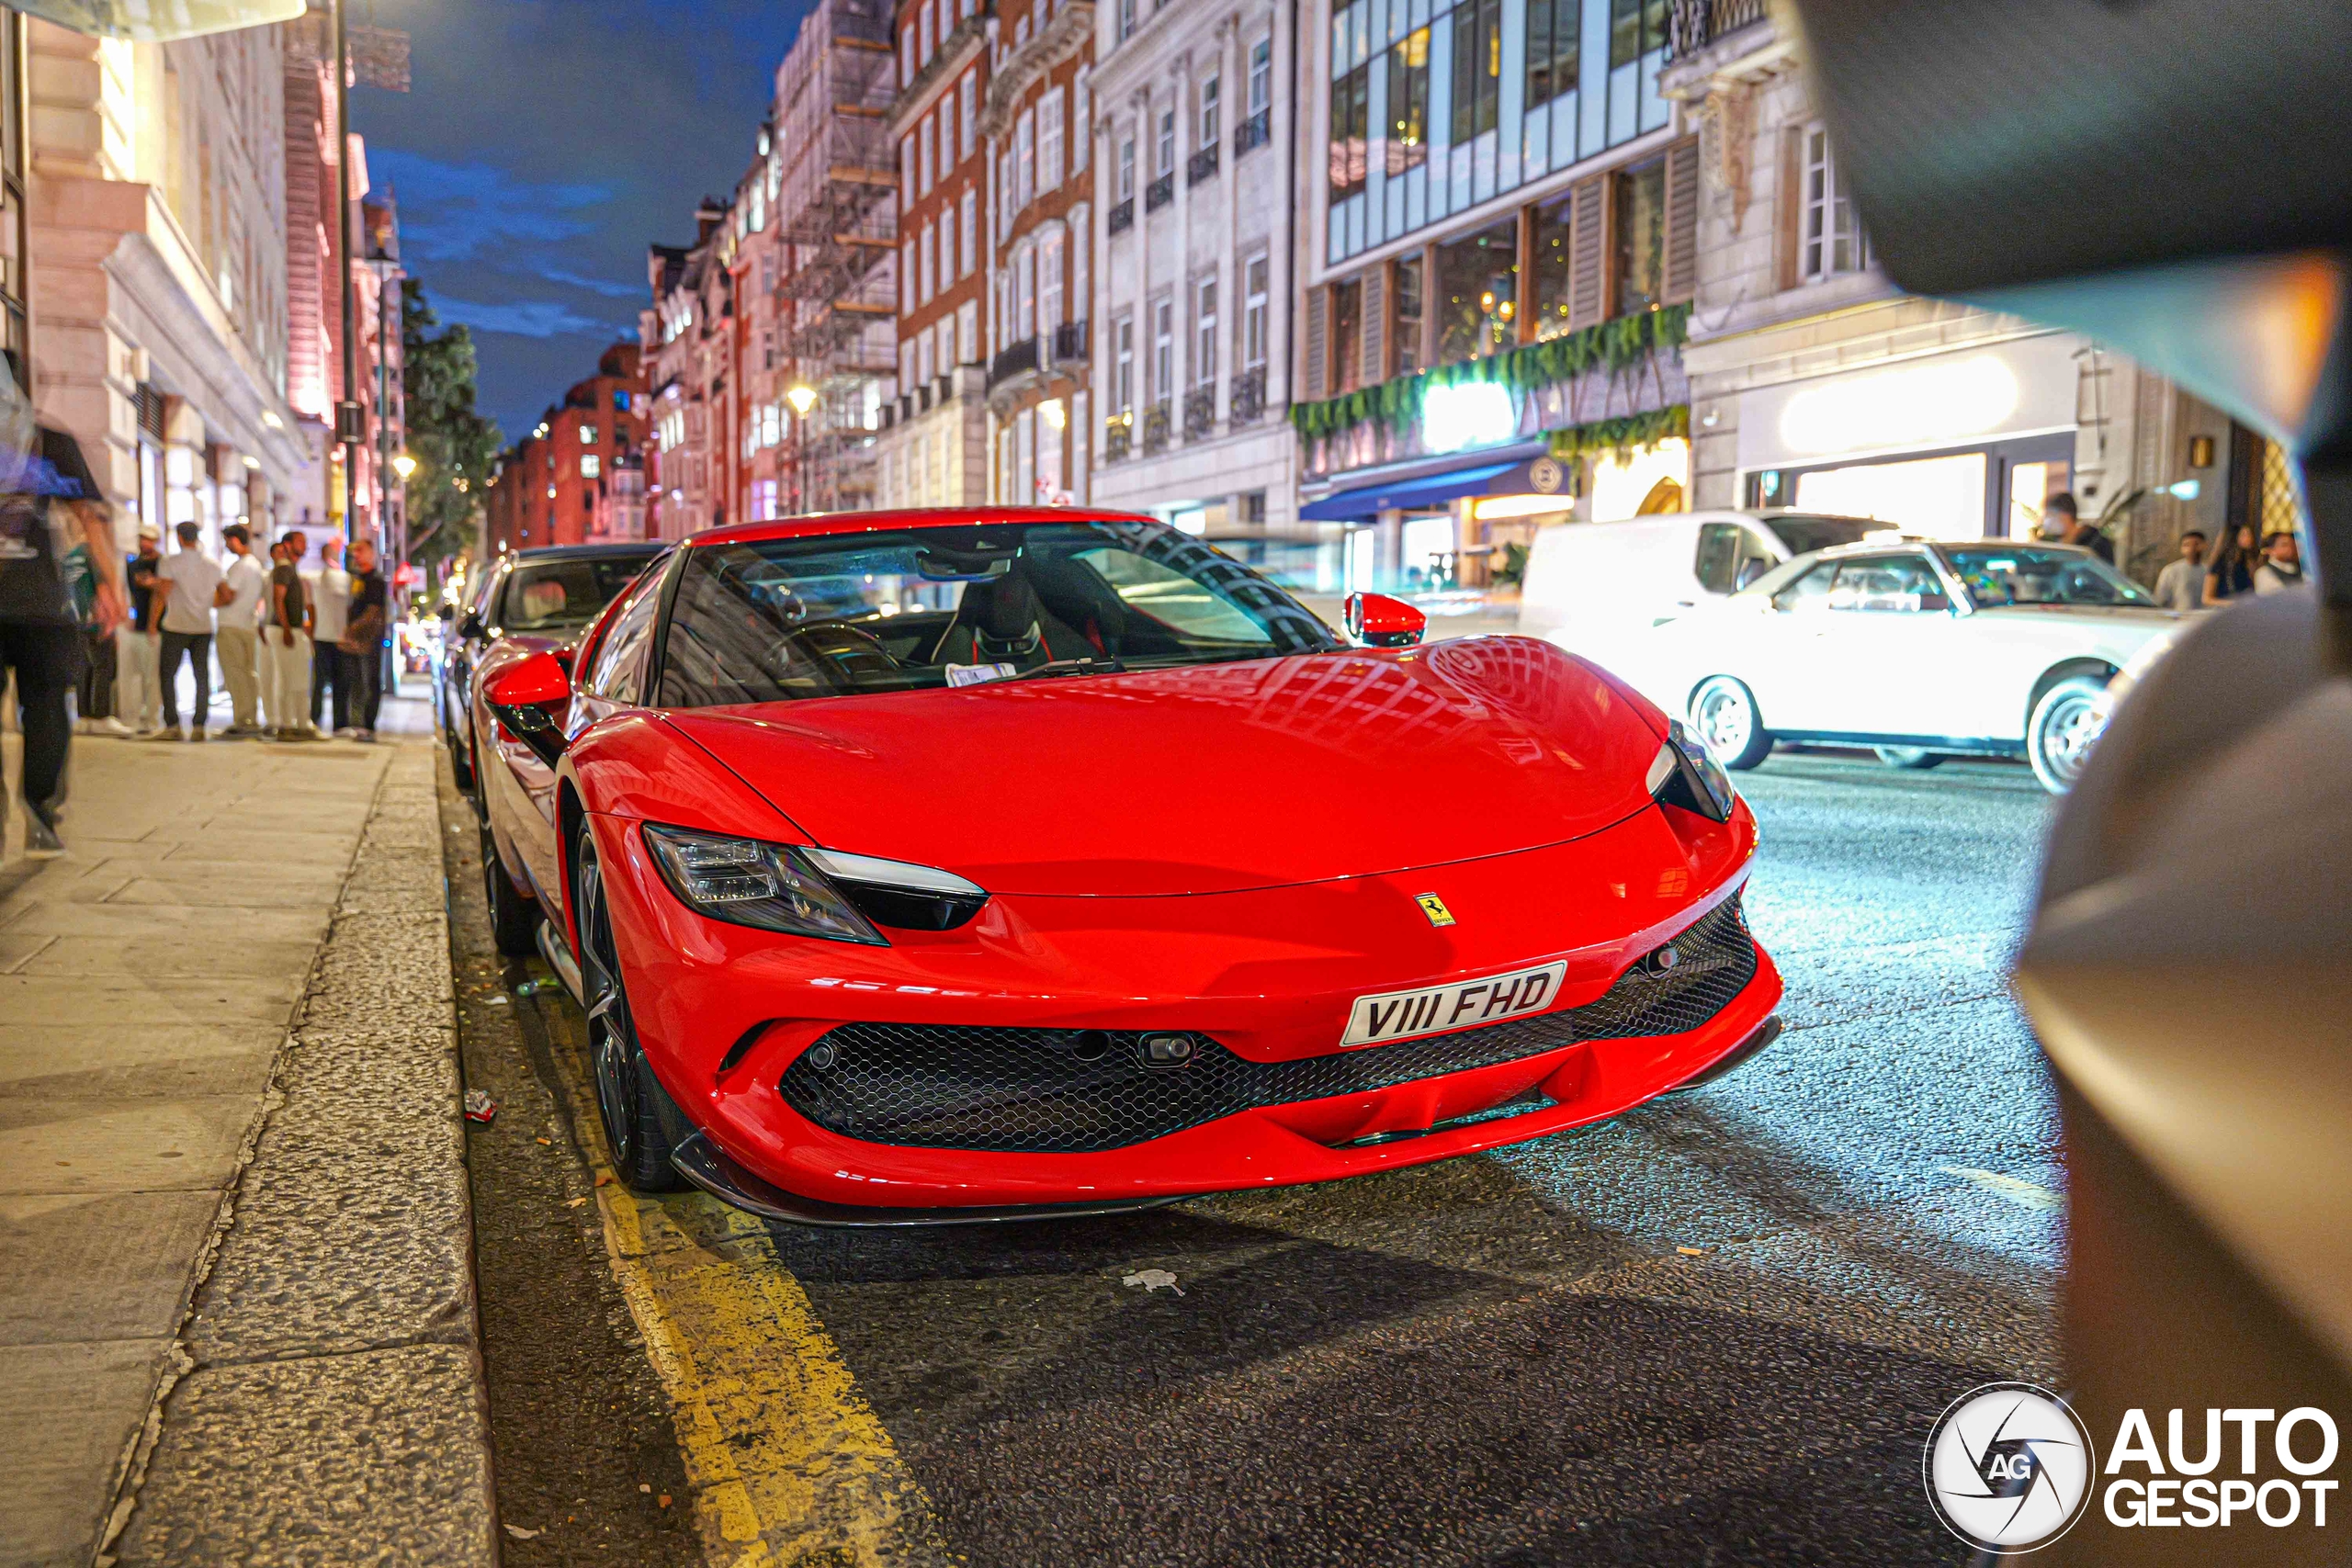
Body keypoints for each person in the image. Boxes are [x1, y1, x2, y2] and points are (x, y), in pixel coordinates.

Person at [0, 355, 121, 857]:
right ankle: (41, 810)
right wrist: (110, 587)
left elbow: (89, 519)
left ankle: (35, 811)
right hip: (42, 606)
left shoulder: (52, 443)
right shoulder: (51, 443)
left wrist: (109, 586)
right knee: (47, 709)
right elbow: (90, 520)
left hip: (41, 604)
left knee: (49, 708)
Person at [153, 520, 226, 740]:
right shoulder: (213, 565)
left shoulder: (169, 562)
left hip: (176, 625)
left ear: (180, 537)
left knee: (167, 674)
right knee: (201, 675)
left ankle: (172, 724)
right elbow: (226, 594)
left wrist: (151, 623)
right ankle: (199, 726)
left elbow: (162, 594)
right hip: (203, 626)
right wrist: (207, 604)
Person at [261, 533, 315, 739]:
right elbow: (278, 598)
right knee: (286, 678)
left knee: (297, 678)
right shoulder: (284, 568)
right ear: (288, 545)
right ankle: (285, 724)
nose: (305, 545)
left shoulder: (291, 569)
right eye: (301, 541)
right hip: (286, 629)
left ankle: (299, 723)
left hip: (292, 629)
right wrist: (285, 628)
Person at [214, 522, 265, 737]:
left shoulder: (240, 566)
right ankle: (250, 717)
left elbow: (227, 596)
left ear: (235, 540)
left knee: (235, 674)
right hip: (247, 624)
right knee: (248, 673)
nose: (226, 545)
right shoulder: (255, 565)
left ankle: (242, 719)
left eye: (227, 540)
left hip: (231, 625)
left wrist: (216, 589)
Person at [114, 522, 164, 735]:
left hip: (157, 628)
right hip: (136, 626)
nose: (145, 543)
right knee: (133, 674)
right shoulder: (132, 564)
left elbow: (164, 590)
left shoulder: (164, 563)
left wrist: (153, 584)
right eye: (142, 538)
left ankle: (152, 718)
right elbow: (129, 592)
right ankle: (134, 717)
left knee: (152, 676)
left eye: (149, 539)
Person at [340, 536, 387, 742]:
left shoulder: (375, 580)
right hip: (355, 640)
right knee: (355, 681)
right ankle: (357, 724)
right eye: (354, 551)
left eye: (361, 550)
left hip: (369, 640)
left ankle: (368, 725)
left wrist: (353, 630)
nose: (356, 555)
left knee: (370, 681)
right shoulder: (356, 579)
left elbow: (373, 611)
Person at [305, 535, 350, 735]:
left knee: (330, 682)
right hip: (326, 636)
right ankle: (322, 720)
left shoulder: (343, 578)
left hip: (335, 636)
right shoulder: (318, 578)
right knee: (324, 682)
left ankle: (332, 722)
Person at [2046, 492, 2114, 563]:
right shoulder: (2056, 546)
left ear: (2065, 516)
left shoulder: (2097, 544)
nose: (2046, 522)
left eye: (2050, 515)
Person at [2203, 522, 2260, 605]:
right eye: (2244, 535)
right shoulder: (2219, 564)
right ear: (2234, 537)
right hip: (2226, 610)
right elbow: (2207, 599)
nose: (2250, 538)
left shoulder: (2248, 561)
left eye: (2249, 534)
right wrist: (2232, 604)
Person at [2153, 530, 2208, 612]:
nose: (2192, 548)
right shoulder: (2171, 570)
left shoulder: (2209, 571)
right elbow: (2160, 600)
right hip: (2179, 620)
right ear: (2181, 548)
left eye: (2196, 544)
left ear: (2204, 545)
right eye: (2187, 545)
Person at [2254, 530, 2304, 594]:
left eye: (2292, 544)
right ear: (2271, 550)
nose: (2290, 548)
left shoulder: (2299, 567)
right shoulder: (2263, 573)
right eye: (2284, 545)